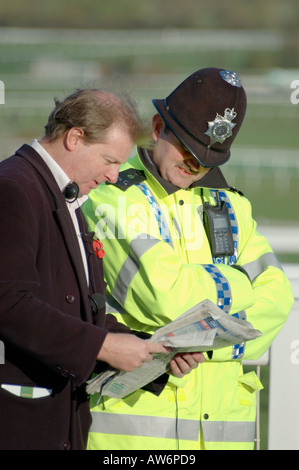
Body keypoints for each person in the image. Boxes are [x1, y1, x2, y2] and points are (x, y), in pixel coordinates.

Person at [83, 68, 294, 450]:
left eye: (209, 158)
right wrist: (238, 285)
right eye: (189, 150)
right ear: (158, 126)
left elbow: (278, 300)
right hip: (135, 443)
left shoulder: (233, 205)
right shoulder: (113, 197)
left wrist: (198, 343)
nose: (195, 166)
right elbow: (169, 298)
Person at [0, 88, 202, 451]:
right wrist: (103, 346)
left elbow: (80, 310)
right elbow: (8, 304)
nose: (114, 176)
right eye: (109, 160)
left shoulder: (67, 196)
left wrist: (154, 350)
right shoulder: (13, 187)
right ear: (75, 138)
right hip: (20, 421)